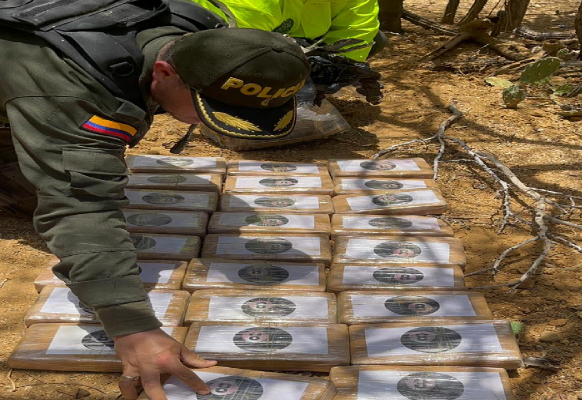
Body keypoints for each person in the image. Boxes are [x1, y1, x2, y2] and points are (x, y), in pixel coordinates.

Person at [0, 1, 311, 399]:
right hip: (27, 66)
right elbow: (79, 206)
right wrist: (133, 326)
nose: (208, 124)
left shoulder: (210, 35)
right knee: (46, 188)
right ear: (164, 73)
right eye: (207, 109)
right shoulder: (66, 85)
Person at [192, 0, 385, 105]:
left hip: (291, 39)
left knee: (377, 40)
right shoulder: (252, 4)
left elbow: (357, 34)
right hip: (209, 38)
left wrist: (335, 70)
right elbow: (239, 52)